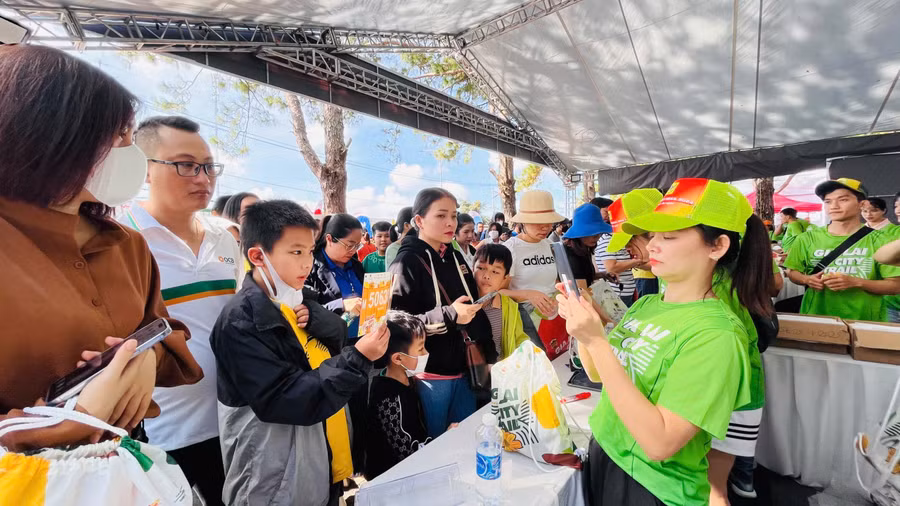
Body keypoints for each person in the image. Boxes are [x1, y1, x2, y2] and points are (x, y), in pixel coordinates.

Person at [0, 44, 202, 452]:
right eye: (120, 134)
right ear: (52, 132)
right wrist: (63, 424)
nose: (131, 151)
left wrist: (144, 357)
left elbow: (163, 331)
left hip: (122, 463)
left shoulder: (127, 245)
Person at [558, 178, 762, 506]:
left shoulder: (716, 335)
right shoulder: (646, 305)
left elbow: (660, 443)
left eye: (669, 236)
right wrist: (583, 328)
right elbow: (598, 374)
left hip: (653, 484)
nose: (652, 245)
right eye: (652, 235)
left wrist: (596, 341)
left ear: (717, 246)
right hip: (607, 451)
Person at [211, 200, 389, 506]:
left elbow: (329, 349)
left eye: (309, 251)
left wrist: (325, 320)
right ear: (258, 256)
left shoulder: (299, 299)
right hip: (273, 480)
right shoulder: (241, 321)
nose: (307, 263)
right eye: (296, 252)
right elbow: (286, 398)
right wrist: (358, 357)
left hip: (319, 463)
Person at [123, 115, 239, 505]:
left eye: (209, 166)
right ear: (145, 170)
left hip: (235, 418)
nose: (203, 178)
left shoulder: (225, 239)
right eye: (186, 165)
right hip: (165, 433)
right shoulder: (123, 240)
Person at [388, 188, 491, 438]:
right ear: (419, 220)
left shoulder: (455, 256)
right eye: (441, 215)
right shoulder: (405, 262)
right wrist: (450, 315)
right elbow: (397, 324)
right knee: (435, 443)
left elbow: (472, 306)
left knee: (466, 439)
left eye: (454, 216)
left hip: (467, 368)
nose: (450, 223)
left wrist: (489, 353)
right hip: (430, 375)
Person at [785, 178, 900, 322]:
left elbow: (895, 286)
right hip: (816, 319)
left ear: (862, 204)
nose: (834, 206)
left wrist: (856, 282)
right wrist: (806, 279)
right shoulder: (806, 238)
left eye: (843, 200)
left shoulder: (882, 239)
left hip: (865, 322)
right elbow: (792, 272)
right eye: (828, 201)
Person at [501, 190, 569, 357]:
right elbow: (498, 292)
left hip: (552, 316)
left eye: (549, 222)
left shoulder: (548, 244)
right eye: (538, 222)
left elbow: (552, 282)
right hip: (526, 322)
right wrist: (528, 294)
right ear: (523, 221)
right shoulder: (510, 248)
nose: (545, 227)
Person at [364, 311, 431, 480]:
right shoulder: (389, 399)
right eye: (420, 349)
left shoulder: (406, 378)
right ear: (398, 358)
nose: (425, 353)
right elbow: (405, 451)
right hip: (391, 478)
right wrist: (440, 443)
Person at [307, 213, 366, 339]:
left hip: (362, 337)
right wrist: (342, 305)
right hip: (331, 341)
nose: (353, 250)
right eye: (349, 245)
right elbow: (306, 312)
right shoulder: (309, 268)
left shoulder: (356, 266)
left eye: (357, 246)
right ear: (329, 239)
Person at [473, 244, 531, 360]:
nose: (487, 276)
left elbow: (518, 338)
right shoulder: (461, 303)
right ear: (472, 269)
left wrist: (527, 352)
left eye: (495, 272)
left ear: (505, 278)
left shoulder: (509, 307)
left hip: (499, 367)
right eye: (481, 268)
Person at [563, 203, 613, 290]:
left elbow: (585, 275)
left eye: (599, 232)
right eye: (592, 233)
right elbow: (582, 290)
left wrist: (603, 274)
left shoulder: (584, 248)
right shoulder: (571, 254)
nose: (597, 237)